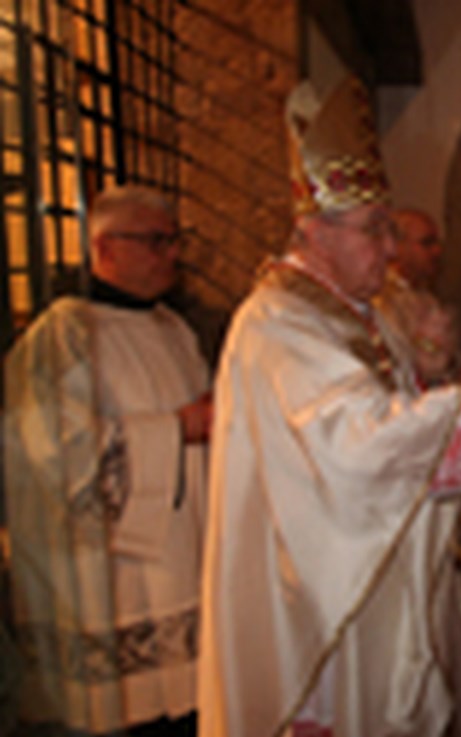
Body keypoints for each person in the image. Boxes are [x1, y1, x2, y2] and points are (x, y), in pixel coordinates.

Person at [198, 74, 461, 737]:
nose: (391, 248)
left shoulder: (355, 310)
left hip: (375, 572)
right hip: (325, 599)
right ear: (315, 231)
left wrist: (435, 377)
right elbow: (355, 446)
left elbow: (392, 416)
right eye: (375, 230)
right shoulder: (277, 325)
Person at [4, 185, 212, 735]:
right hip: (116, 575)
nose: (172, 254)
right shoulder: (64, 334)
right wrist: (176, 428)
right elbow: (55, 453)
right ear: (103, 247)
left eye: (175, 240)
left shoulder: (174, 328)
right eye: (155, 241)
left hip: (184, 556)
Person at [376, 207, 461, 385]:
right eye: (427, 243)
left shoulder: (426, 296)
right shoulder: (382, 301)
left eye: (437, 243)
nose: (437, 251)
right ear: (397, 246)